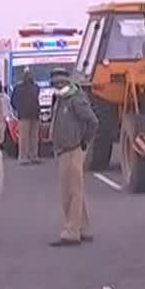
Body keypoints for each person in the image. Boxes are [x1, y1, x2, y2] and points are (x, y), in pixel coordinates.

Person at [48, 67, 99, 247]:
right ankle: (82, 227)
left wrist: (84, 141)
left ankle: (71, 231)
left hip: (72, 149)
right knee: (75, 191)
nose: (56, 86)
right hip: (64, 149)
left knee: (70, 193)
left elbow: (93, 121)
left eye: (58, 83)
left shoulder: (75, 99)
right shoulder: (63, 99)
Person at [10, 68, 40, 164]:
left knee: (24, 137)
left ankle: (24, 157)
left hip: (23, 115)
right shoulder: (36, 87)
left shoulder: (18, 88)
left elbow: (13, 101)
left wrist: (18, 109)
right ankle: (33, 155)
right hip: (34, 114)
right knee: (34, 137)